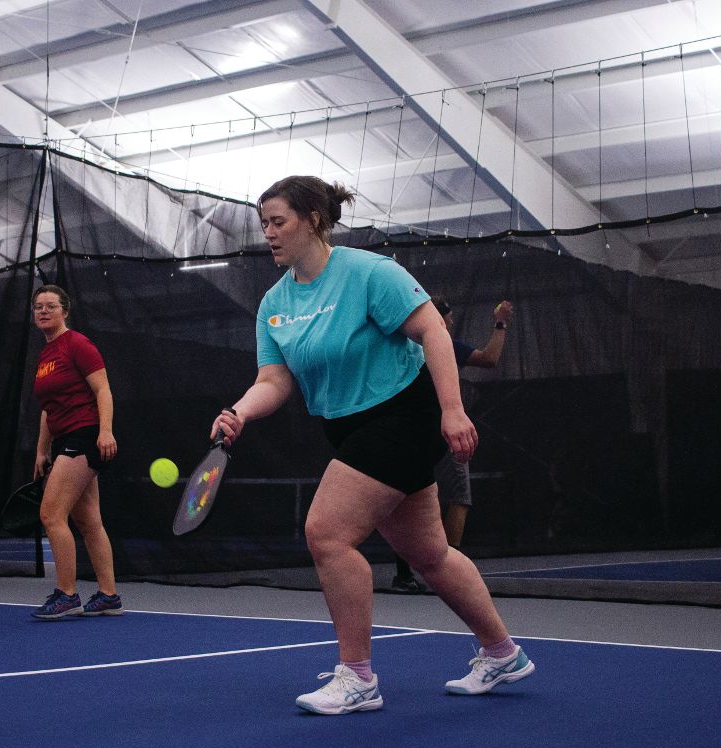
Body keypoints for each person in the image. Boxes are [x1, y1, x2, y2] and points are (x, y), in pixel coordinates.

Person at [210, 176, 533, 714]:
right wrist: (240, 411)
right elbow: (274, 380)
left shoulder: (368, 273)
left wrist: (453, 409)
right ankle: (503, 652)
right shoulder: (274, 303)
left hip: (404, 414)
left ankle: (358, 677)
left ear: (313, 218)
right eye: (263, 223)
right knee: (429, 553)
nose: (267, 233)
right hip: (347, 426)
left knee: (328, 533)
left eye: (278, 221)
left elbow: (432, 329)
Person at [392, 297, 515, 592]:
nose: (449, 322)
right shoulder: (423, 345)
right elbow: (489, 359)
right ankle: (433, 572)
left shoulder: (431, 343)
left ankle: (416, 572)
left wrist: (500, 323)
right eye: (446, 317)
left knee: (428, 499)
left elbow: (488, 359)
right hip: (426, 432)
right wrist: (500, 322)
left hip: (426, 431)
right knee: (446, 497)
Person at [28, 284, 123, 620]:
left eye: (50, 306)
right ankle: (109, 595)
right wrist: (41, 451)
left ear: (64, 311)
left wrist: (105, 431)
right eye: (38, 307)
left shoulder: (77, 344)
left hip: (84, 436)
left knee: (51, 514)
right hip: (64, 437)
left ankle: (67, 594)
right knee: (88, 521)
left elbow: (103, 389)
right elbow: (47, 409)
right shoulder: (45, 357)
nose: (43, 311)